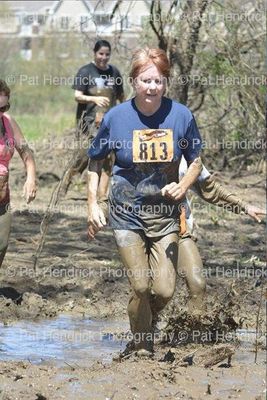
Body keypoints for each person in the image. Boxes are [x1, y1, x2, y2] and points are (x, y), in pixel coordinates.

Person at [87, 48, 203, 356]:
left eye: (158, 81)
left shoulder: (181, 116)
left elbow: (196, 160)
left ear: (166, 82)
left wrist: (184, 184)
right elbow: (95, 162)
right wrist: (92, 205)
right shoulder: (115, 117)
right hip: (126, 213)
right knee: (140, 286)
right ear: (134, 81)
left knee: (164, 290)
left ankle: (142, 321)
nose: (151, 88)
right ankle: (141, 347)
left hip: (165, 216)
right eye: (145, 81)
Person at [177, 157, 266, 314]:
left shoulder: (187, 156)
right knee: (154, 289)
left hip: (179, 229)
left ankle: (196, 335)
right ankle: (144, 332)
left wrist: (244, 206)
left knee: (197, 284)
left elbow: (211, 189)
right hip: (142, 228)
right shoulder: (134, 144)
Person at [61, 40, 124, 196]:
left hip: (109, 122)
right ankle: (65, 184)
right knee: (83, 157)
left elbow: (121, 96)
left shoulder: (114, 73)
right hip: (88, 122)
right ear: (95, 53)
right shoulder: (86, 71)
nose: (104, 57)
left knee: (108, 157)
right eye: (101, 54)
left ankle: (102, 195)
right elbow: (77, 96)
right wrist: (93, 99)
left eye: (107, 54)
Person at [0, 79, 37, 267]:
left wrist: (31, 177)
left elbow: (26, 152)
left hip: (2, 195)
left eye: (3, 108)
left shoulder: (8, 122)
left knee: (2, 245)